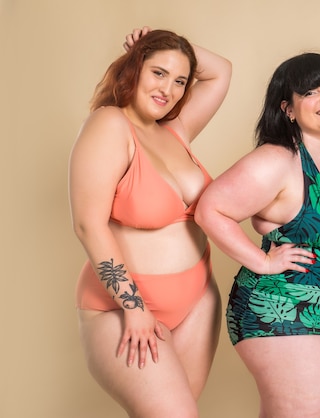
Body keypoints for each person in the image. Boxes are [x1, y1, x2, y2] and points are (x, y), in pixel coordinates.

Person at [195, 52, 320, 418]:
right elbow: (209, 210)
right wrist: (262, 260)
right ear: (289, 109)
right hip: (285, 310)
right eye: (311, 92)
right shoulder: (277, 160)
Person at [69, 27, 231, 417]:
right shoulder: (109, 124)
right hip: (123, 308)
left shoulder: (175, 132)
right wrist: (134, 306)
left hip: (197, 302)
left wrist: (172, 42)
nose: (169, 89)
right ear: (134, 68)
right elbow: (89, 224)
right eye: (158, 72)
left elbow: (221, 71)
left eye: (179, 80)